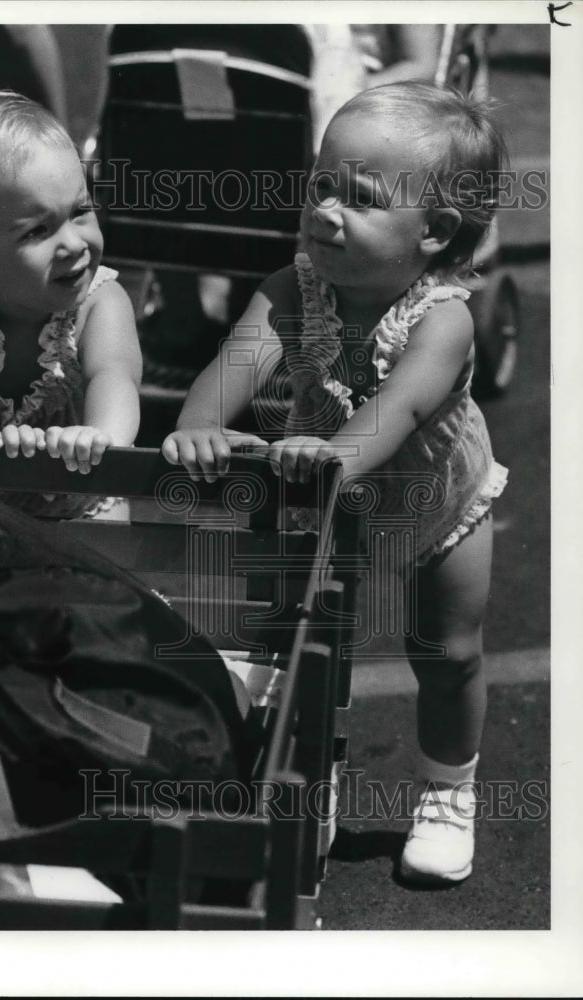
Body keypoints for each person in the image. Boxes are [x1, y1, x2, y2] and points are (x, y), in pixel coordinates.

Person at [162, 81, 508, 884]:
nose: (325, 210)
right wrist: (197, 423)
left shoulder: (443, 319)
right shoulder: (294, 287)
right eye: (321, 183)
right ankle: (304, 779)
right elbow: (239, 360)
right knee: (298, 640)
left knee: (448, 651)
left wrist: (330, 457)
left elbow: (398, 408)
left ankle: (448, 793)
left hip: (434, 500)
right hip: (322, 495)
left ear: (434, 233)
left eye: (359, 198)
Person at [0, 88, 142, 518]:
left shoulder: (100, 303)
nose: (73, 243)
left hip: (83, 487)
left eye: (80, 211)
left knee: (109, 537)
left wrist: (100, 438)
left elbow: (115, 378)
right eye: (38, 231)